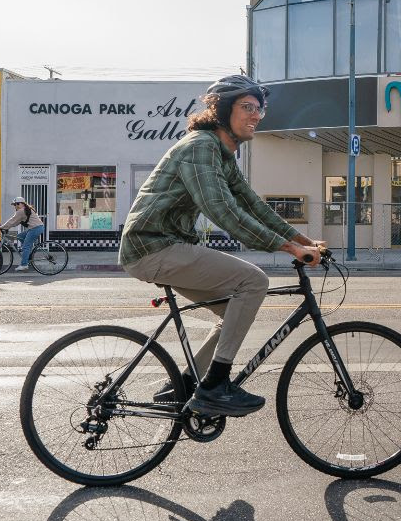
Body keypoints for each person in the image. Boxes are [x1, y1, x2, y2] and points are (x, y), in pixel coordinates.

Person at [120, 74, 325, 418]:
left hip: (165, 247)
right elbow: (222, 210)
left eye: (259, 109)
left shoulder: (222, 154)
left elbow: (251, 205)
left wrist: (305, 241)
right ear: (223, 110)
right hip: (152, 247)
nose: (256, 115)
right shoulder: (199, 146)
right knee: (254, 281)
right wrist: (288, 249)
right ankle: (215, 386)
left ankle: (184, 386)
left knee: (233, 311)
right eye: (247, 107)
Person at [0, 197, 45, 272]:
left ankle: (24, 265)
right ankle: (28, 253)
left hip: (35, 229)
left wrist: (1, 227)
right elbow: (15, 222)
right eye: (14, 205)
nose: (15, 206)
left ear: (22, 204)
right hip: (36, 228)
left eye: (16, 204)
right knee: (19, 236)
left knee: (26, 246)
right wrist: (5, 227)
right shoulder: (26, 210)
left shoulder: (21, 211)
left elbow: (12, 221)